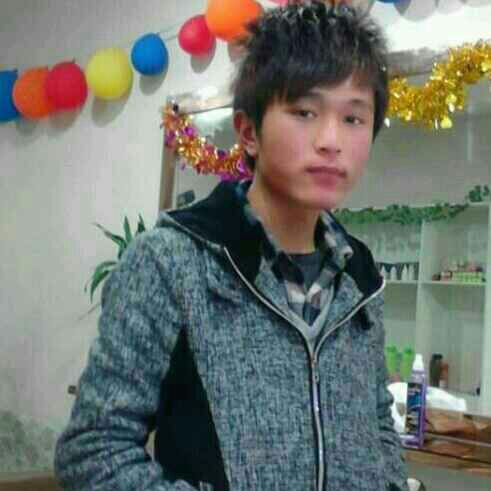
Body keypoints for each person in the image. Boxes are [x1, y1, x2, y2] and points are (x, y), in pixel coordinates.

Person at [55, 2, 410, 490]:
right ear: (248, 132)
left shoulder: (359, 277)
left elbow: (377, 422)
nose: (332, 141)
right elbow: (93, 451)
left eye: (354, 118)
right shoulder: (171, 263)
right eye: (305, 112)